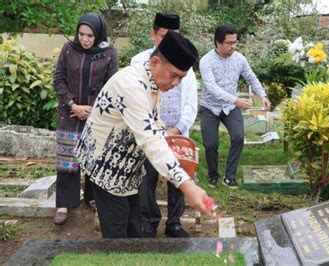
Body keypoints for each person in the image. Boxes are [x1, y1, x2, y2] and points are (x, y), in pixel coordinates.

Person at [75, 31, 212, 238]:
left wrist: (170, 142)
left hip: (129, 168)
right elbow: (150, 140)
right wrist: (187, 186)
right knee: (118, 238)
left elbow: (153, 122)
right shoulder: (132, 85)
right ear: (156, 61)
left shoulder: (152, 81)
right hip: (106, 167)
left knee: (135, 231)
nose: (176, 84)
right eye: (174, 75)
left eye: (181, 78)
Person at [130, 13, 198, 238]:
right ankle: (149, 220)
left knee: (178, 176)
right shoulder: (139, 61)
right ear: (153, 34)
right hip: (149, 132)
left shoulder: (184, 63)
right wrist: (156, 131)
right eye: (164, 36)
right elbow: (136, 101)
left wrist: (176, 129)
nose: (171, 42)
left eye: (175, 36)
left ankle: (175, 223)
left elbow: (191, 103)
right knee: (147, 177)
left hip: (177, 132)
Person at [53, 13, 118, 225]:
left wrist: (93, 110)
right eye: (81, 34)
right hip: (69, 113)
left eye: (90, 35)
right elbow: (58, 79)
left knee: (95, 158)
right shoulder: (68, 49)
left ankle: (92, 197)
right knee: (67, 159)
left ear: (98, 34)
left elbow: (112, 86)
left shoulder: (108, 53)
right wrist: (73, 105)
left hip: (96, 117)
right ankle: (64, 203)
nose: (85, 39)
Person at [199, 25, 271, 189]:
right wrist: (236, 100)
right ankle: (213, 175)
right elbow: (212, 88)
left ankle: (229, 176)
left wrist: (263, 95)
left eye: (235, 42)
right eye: (229, 43)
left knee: (238, 137)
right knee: (211, 144)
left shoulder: (239, 59)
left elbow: (251, 78)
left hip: (230, 108)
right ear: (218, 43)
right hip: (209, 107)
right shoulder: (206, 61)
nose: (233, 46)